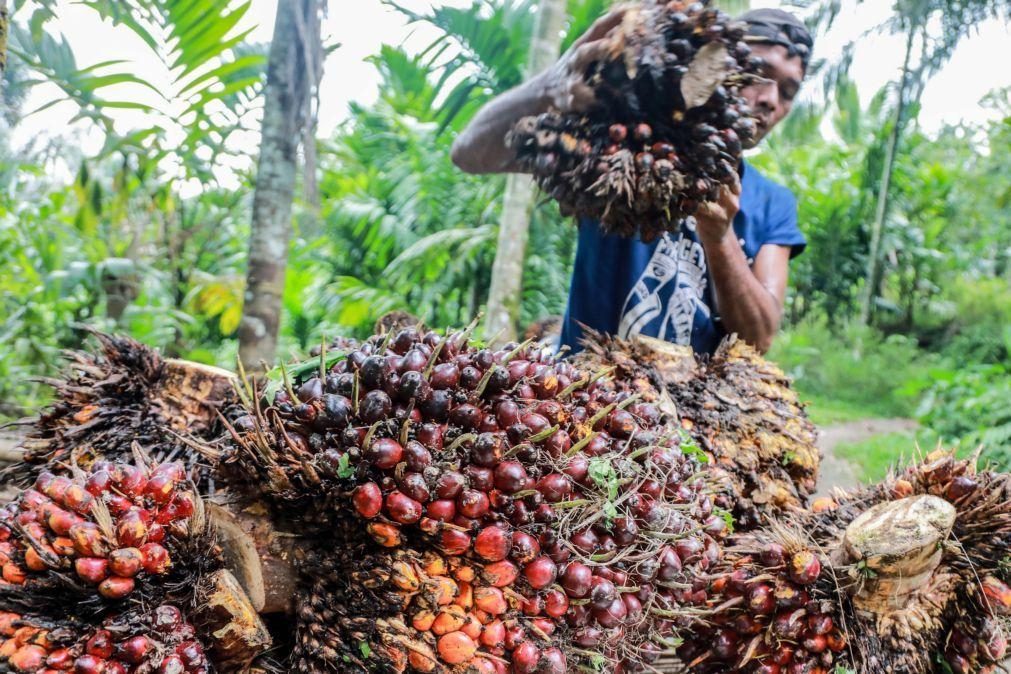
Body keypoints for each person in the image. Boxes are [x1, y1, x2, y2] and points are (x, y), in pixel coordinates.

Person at [451, 7, 814, 355]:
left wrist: (720, 239)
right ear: (720, 62)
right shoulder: (621, 144)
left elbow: (760, 338)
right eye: (761, 72)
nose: (769, 99)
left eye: (787, 92)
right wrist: (552, 83)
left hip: (688, 408)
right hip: (585, 397)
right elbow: (469, 153)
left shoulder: (773, 202)